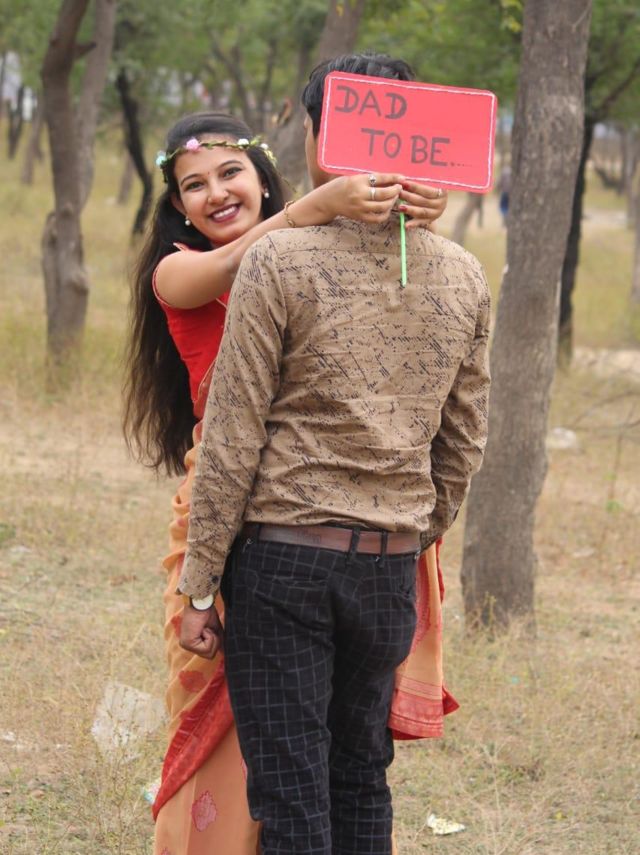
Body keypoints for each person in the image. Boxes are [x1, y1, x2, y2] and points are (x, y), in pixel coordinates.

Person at [178, 52, 490, 855]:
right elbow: (463, 440)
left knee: (292, 798)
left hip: (282, 563)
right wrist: (410, 529)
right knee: (360, 781)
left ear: (323, 133)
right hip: (387, 569)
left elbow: (233, 434)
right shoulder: (464, 274)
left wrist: (201, 584)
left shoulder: (279, 259)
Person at [123, 110, 449, 855]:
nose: (215, 193)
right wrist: (316, 207)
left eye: (229, 173)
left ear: (264, 178)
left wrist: (418, 205)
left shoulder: (314, 248)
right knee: (231, 693)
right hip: (223, 504)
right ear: (177, 206)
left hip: (323, 503)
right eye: (193, 186)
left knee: (334, 730)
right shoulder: (178, 270)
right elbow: (238, 264)